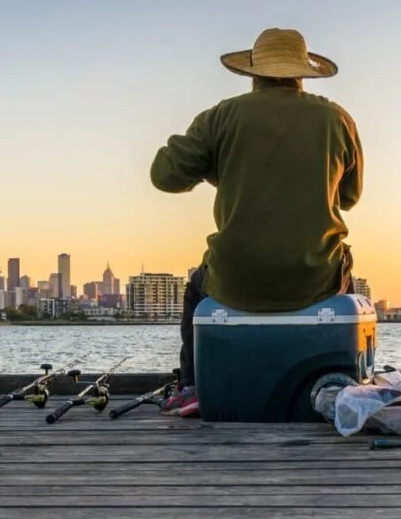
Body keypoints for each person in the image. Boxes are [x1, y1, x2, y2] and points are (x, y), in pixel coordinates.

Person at [150, 27, 364, 417]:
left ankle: (193, 387)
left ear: (253, 72)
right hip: (315, 278)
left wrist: (216, 166)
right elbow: (348, 197)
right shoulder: (338, 118)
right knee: (348, 268)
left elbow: (165, 176)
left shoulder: (220, 117)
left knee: (196, 287)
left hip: (234, 279)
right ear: (303, 72)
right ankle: (349, 378)